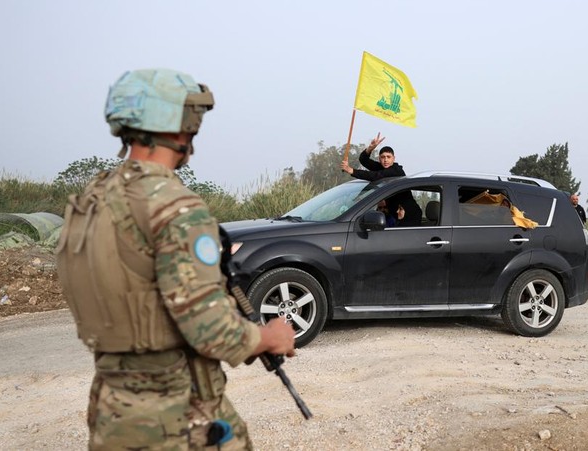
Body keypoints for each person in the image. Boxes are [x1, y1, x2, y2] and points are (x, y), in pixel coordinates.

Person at [55, 68, 296, 450]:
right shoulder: (174, 207)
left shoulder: (92, 201)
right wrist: (268, 337)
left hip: (112, 406)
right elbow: (209, 328)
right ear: (180, 124)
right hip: (176, 414)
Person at [340, 134, 422, 226]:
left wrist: (351, 170)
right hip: (396, 214)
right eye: (383, 157)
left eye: (388, 157)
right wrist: (370, 148)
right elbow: (363, 160)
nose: (385, 160)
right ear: (379, 159)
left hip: (409, 214)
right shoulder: (382, 167)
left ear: (393, 158)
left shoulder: (396, 170)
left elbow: (374, 176)